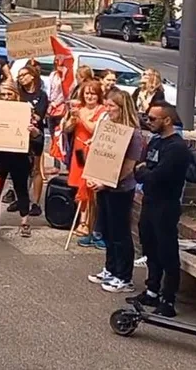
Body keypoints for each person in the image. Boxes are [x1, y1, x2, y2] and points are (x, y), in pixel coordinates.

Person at [128, 101, 190, 317]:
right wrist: (145, 173)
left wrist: (146, 173)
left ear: (167, 120)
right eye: (147, 117)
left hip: (166, 205)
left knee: (167, 252)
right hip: (150, 202)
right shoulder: (155, 142)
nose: (148, 122)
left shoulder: (177, 148)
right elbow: (139, 169)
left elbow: (157, 176)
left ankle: (168, 299)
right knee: (150, 249)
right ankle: (152, 290)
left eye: (153, 119)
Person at [87, 89, 145, 293]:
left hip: (120, 189)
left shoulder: (134, 135)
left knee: (120, 232)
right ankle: (110, 268)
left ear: (122, 108)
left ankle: (124, 276)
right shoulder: (109, 127)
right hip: (104, 185)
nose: (108, 109)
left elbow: (128, 166)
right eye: (108, 105)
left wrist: (108, 182)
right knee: (108, 230)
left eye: (112, 106)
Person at [0, 81, 41, 239]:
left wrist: (34, 131)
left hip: (19, 156)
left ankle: (24, 221)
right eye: (3, 94)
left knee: (20, 188)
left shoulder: (25, 110)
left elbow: (38, 138)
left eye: (9, 94)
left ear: (16, 95)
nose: (6, 97)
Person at [66, 81, 107, 244]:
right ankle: (82, 219)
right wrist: (70, 119)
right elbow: (68, 129)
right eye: (87, 93)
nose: (89, 97)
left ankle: (89, 222)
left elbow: (93, 129)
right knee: (80, 184)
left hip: (93, 151)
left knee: (90, 187)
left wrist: (81, 116)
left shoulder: (102, 111)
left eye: (93, 94)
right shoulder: (79, 110)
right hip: (79, 150)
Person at [16, 65, 48, 217]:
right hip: (18, 134)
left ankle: (35, 202)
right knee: (19, 169)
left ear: (32, 76)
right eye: (19, 76)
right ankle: (21, 198)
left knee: (35, 168)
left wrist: (28, 112)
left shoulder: (41, 95)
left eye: (24, 75)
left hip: (35, 135)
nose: (21, 78)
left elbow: (39, 116)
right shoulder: (18, 93)